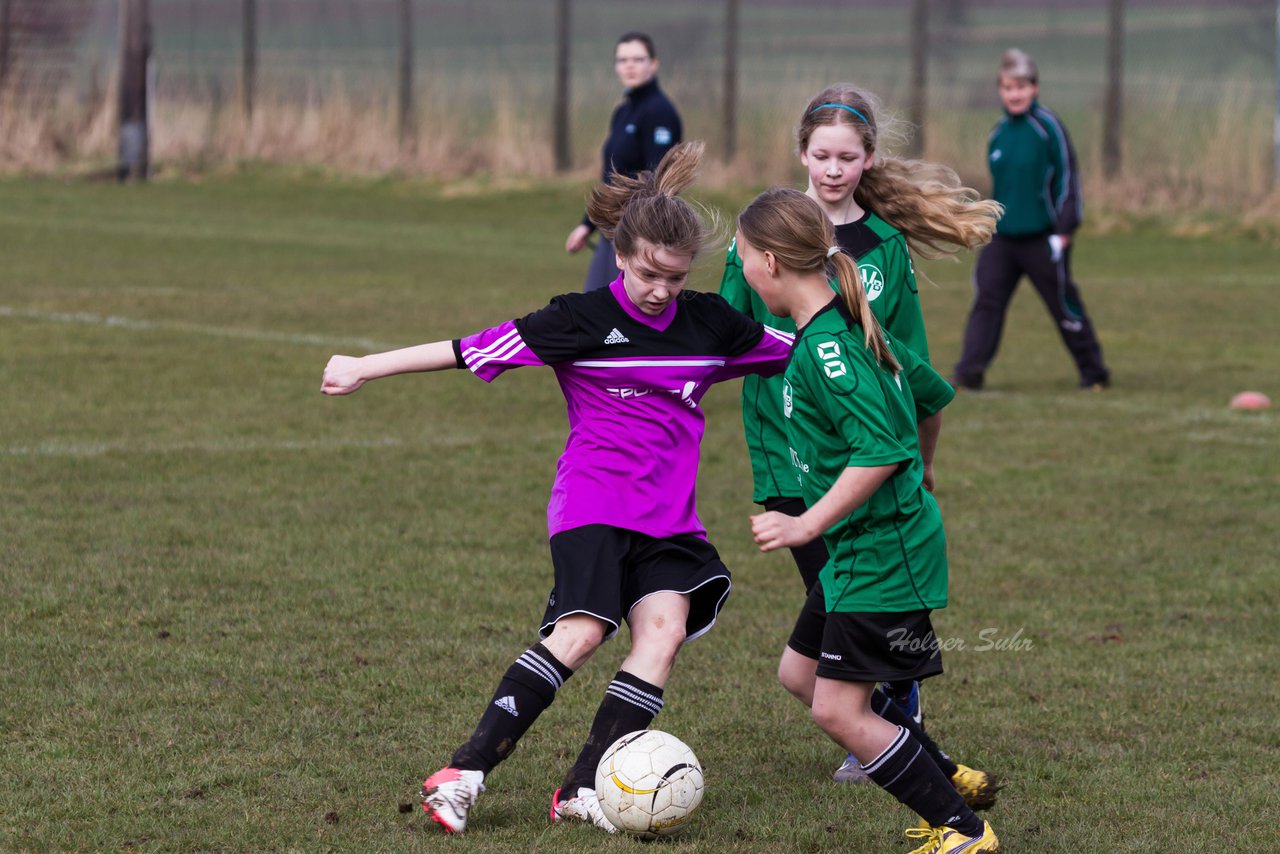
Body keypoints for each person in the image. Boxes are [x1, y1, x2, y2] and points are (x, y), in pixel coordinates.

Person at [322, 142, 794, 835]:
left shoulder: (711, 322)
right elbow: (465, 350)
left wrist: (871, 346)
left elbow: (800, 348)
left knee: (661, 637)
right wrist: (364, 364)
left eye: (676, 275)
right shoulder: (576, 320)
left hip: (671, 522)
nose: (661, 289)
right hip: (594, 504)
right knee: (581, 633)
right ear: (621, 251)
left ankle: (581, 788)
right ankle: (464, 773)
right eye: (646, 273)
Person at [718, 83, 1000, 783]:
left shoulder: (883, 250)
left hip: (859, 463)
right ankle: (892, 733)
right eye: (822, 155)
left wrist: (918, 457)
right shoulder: (762, 234)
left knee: (846, 605)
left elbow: (907, 364)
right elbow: (726, 334)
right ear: (802, 155)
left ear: (869, 160)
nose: (833, 168)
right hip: (787, 458)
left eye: (848, 156)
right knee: (834, 602)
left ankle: (890, 728)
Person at [953, 48, 1110, 391]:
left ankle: (1094, 373)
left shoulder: (1048, 127)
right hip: (1004, 239)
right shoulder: (998, 134)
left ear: (1035, 88)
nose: (1015, 94)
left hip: (1044, 238)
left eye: (1022, 87)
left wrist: (1064, 231)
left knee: (1063, 304)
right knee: (987, 301)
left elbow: (1069, 180)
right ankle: (969, 373)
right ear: (1001, 90)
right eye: (1009, 88)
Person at [565, 31, 683, 292]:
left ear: (654, 64)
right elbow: (610, 178)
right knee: (598, 303)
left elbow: (660, 178)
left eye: (638, 59)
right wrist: (588, 224)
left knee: (623, 308)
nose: (629, 65)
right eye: (623, 59)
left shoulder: (659, 111)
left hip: (640, 230)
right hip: (612, 226)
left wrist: (644, 231)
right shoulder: (623, 112)